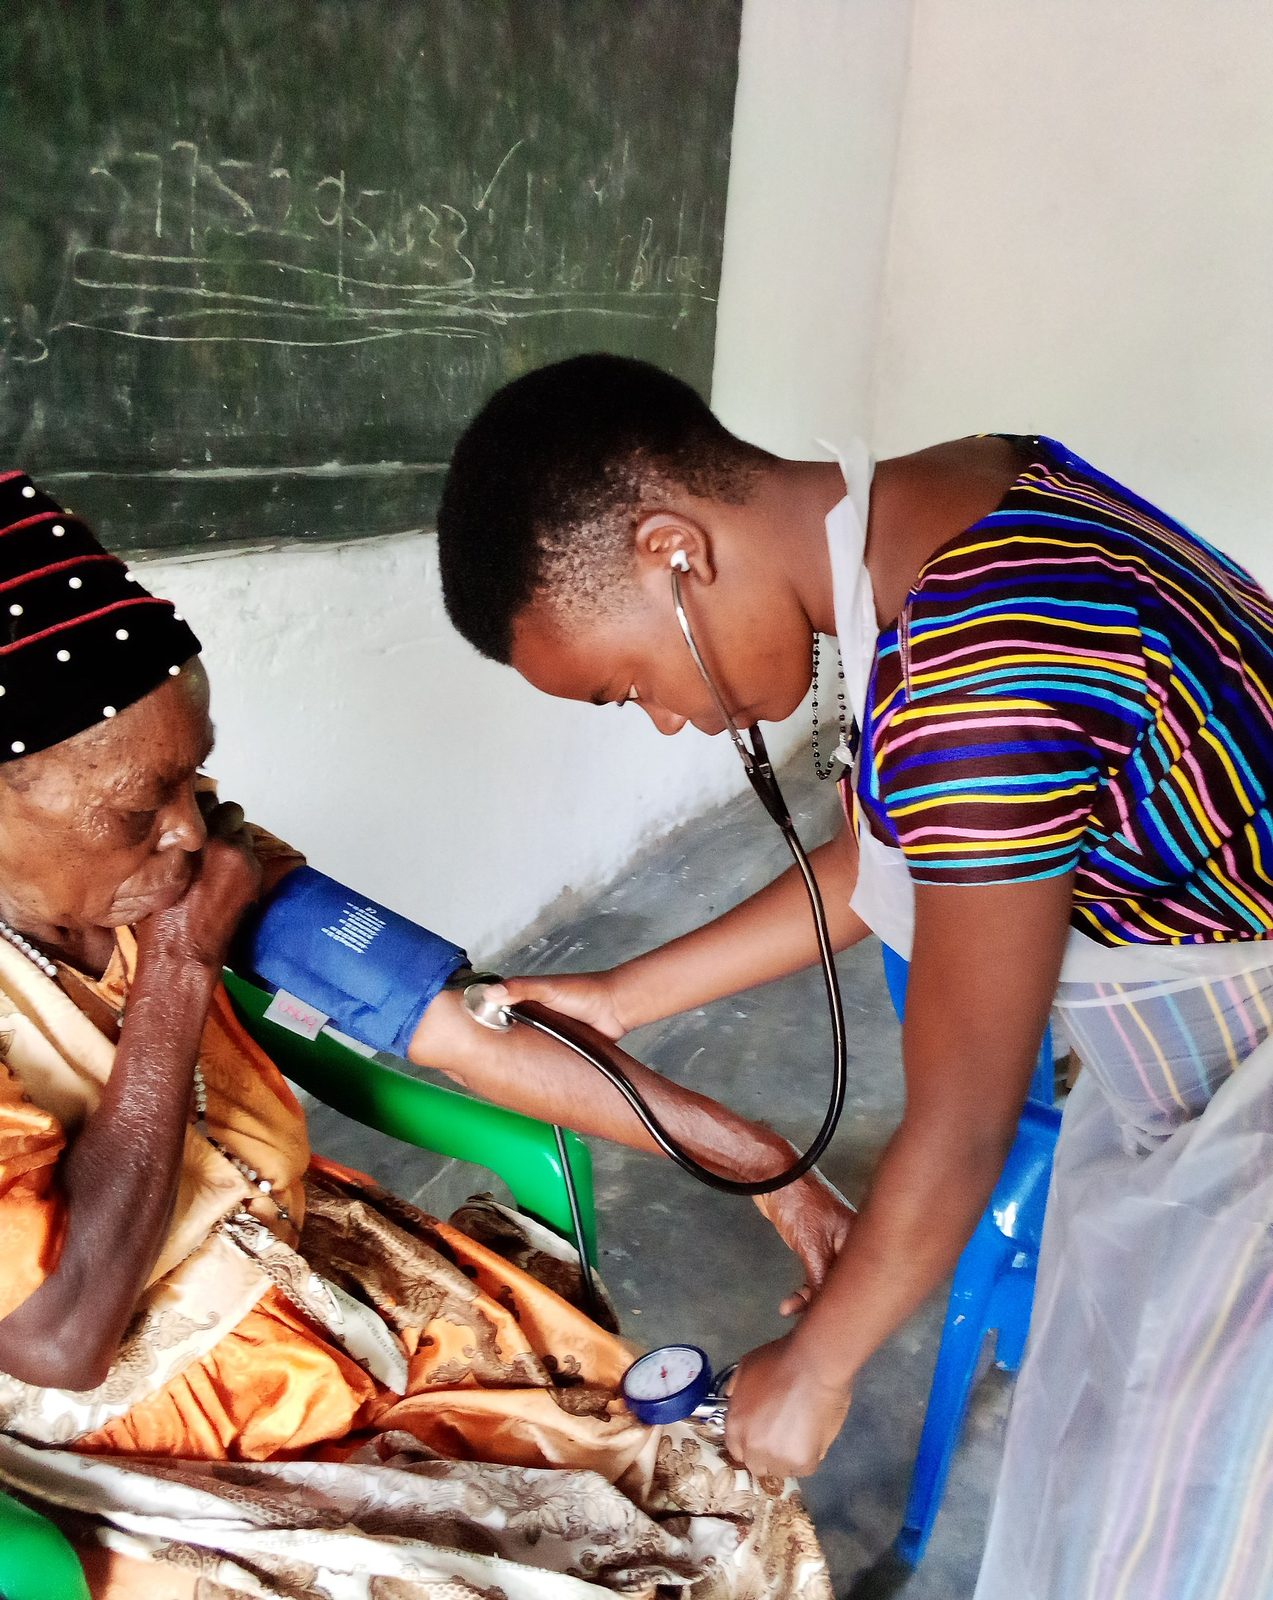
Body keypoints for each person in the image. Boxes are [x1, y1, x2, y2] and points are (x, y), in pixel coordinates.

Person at [436, 354, 1273, 1598]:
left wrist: (818, 1367)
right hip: (1196, 1072)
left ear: (674, 550)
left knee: (1196, 1523)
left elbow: (962, 1114)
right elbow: (880, 862)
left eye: (628, 688)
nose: (670, 721)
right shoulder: (962, 498)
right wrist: (618, 998)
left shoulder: (984, 663)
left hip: (1239, 1099)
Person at [0, 470, 848, 1600]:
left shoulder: (195, 863)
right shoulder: (182, 916)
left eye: (194, 774)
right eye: (137, 807)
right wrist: (181, 968)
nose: (190, 829)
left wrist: (763, 1165)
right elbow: (61, 1337)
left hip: (314, 1282)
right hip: (151, 1423)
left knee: (691, 1493)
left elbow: (461, 1030)